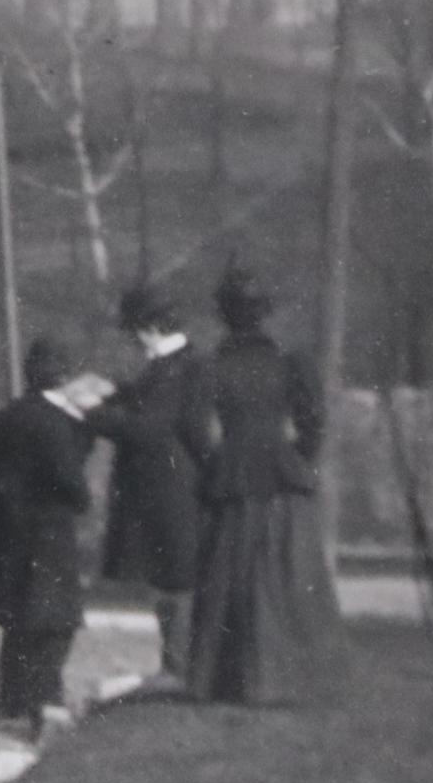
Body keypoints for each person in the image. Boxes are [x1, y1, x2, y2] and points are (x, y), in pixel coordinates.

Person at [186, 269, 342, 706]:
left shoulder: (209, 366)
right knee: (287, 576)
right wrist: (295, 459)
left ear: (224, 317)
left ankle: (227, 682)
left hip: (232, 477)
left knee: (230, 579)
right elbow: (314, 423)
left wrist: (218, 463)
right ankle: (293, 679)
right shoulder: (290, 362)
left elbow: (196, 430)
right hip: (280, 475)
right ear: (263, 315)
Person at [86, 280, 216, 688]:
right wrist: (116, 391)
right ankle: (178, 666)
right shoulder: (177, 363)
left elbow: (149, 426)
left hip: (171, 490)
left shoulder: (177, 367)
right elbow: (149, 403)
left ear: (149, 328)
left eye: (135, 331)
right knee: (169, 576)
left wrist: (93, 412)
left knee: (175, 579)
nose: (134, 340)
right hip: (168, 488)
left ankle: (178, 669)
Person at [0, 336, 100, 733]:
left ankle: (13, 697)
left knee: (18, 615)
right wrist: (79, 501)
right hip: (48, 527)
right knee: (56, 619)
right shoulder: (58, 422)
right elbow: (69, 477)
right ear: (62, 377)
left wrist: (8, 488)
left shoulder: (10, 414)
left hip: (7, 524)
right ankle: (44, 697)